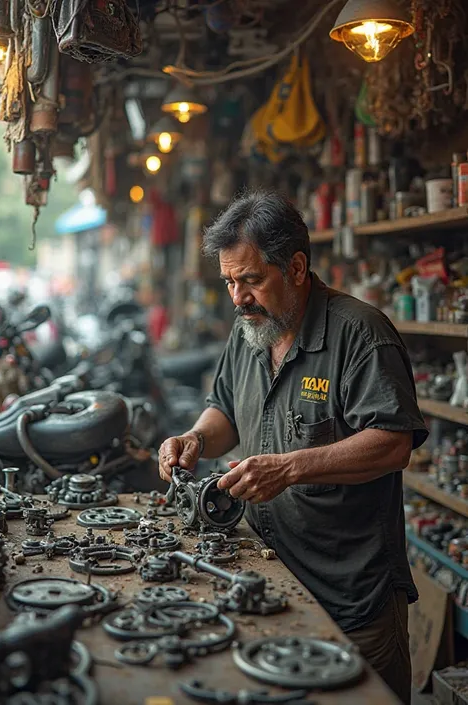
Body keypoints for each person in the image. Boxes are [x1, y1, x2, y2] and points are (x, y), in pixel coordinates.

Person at [158, 190, 428, 705]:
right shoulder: (250, 331)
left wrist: (289, 468)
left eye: (252, 279)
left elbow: (394, 445)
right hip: (267, 577)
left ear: (298, 267)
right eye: (230, 281)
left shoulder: (362, 335)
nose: (238, 296)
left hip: (351, 597)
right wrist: (194, 437)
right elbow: (226, 412)